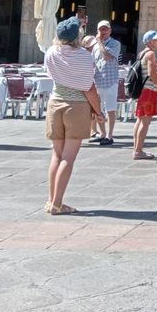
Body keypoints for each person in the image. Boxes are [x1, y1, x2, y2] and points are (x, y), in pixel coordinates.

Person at [43, 17, 103, 215]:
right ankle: (58, 204)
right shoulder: (85, 56)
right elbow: (89, 89)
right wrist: (98, 112)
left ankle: (51, 200)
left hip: (55, 103)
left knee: (56, 155)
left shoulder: (51, 52)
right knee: (68, 157)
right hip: (76, 106)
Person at [132, 30, 157, 160]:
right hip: (149, 90)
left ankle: (136, 149)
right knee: (145, 122)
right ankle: (138, 151)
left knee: (140, 120)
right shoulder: (151, 54)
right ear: (150, 42)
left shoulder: (142, 53)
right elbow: (152, 74)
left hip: (143, 90)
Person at [90, 20, 121, 146]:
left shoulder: (115, 43)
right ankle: (102, 133)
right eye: (101, 29)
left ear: (110, 31)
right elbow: (92, 63)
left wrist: (100, 43)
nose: (103, 32)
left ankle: (110, 135)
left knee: (110, 109)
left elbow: (107, 56)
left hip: (110, 81)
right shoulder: (95, 46)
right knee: (98, 109)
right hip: (98, 81)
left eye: (105, 29)